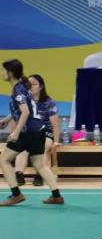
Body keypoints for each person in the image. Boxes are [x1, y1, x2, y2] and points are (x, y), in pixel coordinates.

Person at [0, 60, 62, 206]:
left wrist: (16, 132)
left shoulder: (18, 89)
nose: (2, 73)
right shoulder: (23, 86)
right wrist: (7, 120)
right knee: (39, 165)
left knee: (4, 160)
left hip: (28, 131)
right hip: (39, 130)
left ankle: (16, 194)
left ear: (10, 73)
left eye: (3, 70)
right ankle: (57, 196)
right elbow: (25, 108)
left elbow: (26, 112)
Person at [12, 75, 60, 187]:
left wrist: (56, 142)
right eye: (28, 84)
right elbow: (15, 119)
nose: (30, 86)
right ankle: (19, 175)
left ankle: (40, 174)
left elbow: (55, 125)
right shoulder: (23, 100)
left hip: (45, 131)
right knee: (22, 147)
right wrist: (14, 134)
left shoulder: (48, 102)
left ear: (41, 87)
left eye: (33, 84)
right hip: (29, 131)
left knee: (43, 146)